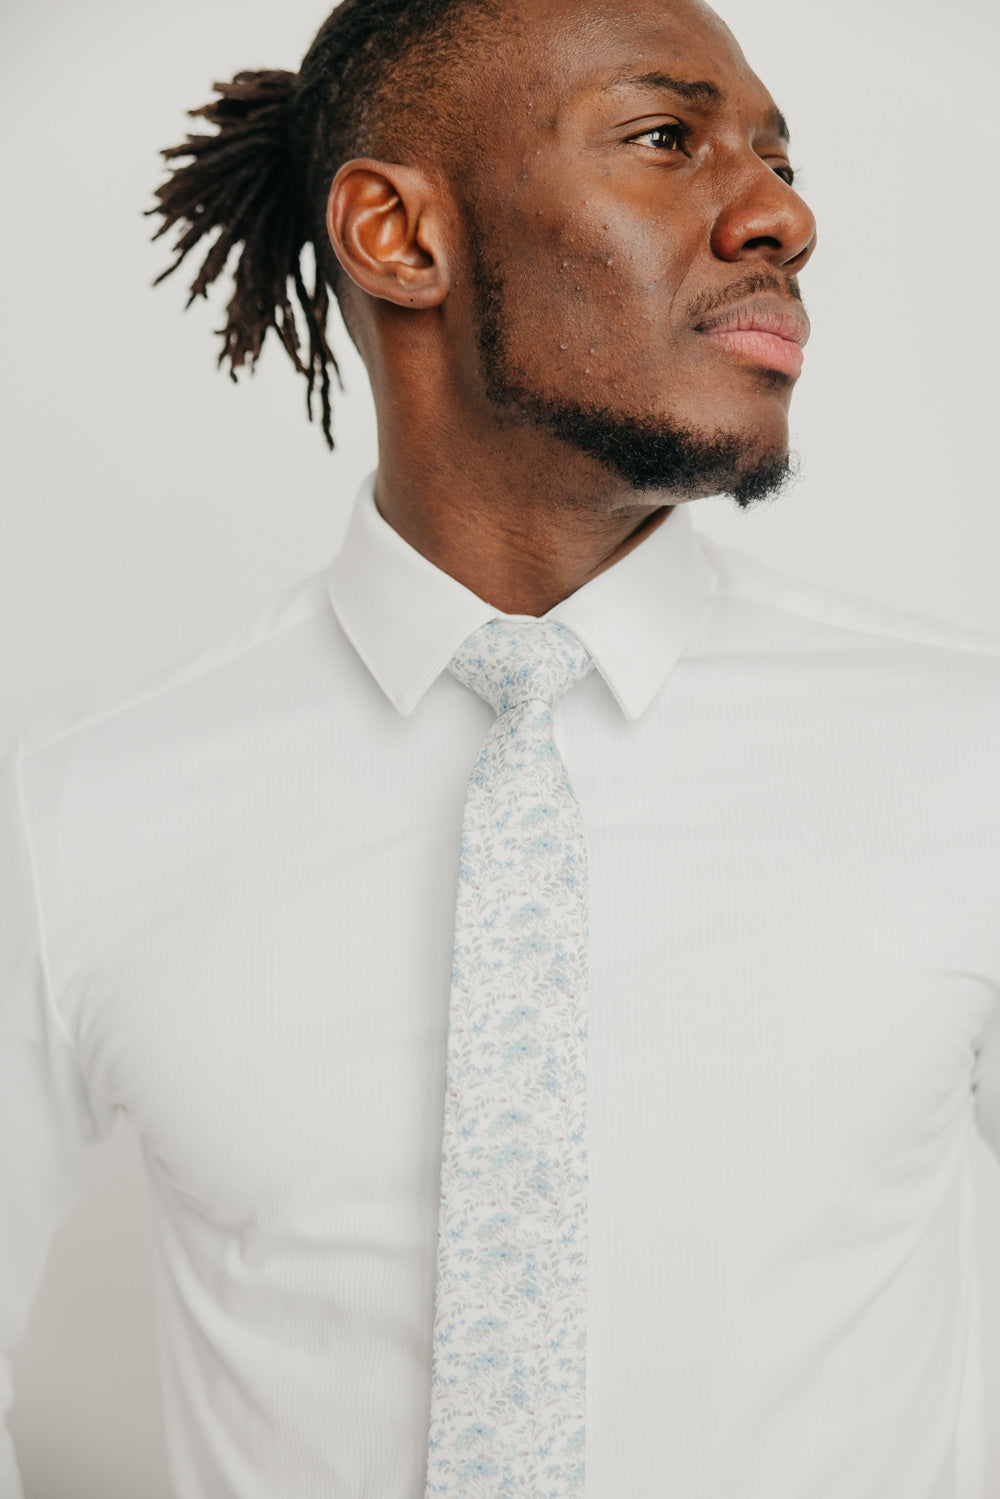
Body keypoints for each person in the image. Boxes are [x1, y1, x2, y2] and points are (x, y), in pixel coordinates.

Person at [2, 0, 998, 1494]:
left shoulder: (969, 759)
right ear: (398, 235)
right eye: (666, 138)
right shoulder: (79, 814)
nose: (783, 217)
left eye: (780, 162)